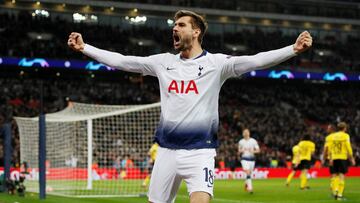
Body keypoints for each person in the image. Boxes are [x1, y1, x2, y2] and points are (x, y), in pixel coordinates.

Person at [68, 9, 312, 203]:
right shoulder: (163, 63)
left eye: (181, 25)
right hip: (166, 151)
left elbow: (256, 60)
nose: (174, 28)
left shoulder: (217, 64)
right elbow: (123, 61)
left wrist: (293, 49)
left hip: (200, 152)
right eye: (174, 25)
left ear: (196, 32)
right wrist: (85, 48)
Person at [326, 122, 356, 200]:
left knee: (335, 175)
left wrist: (331, 158)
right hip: (342, 157)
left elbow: (331, 148)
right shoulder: (346, 136)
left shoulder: (333, 136)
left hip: (334, 157)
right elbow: (348, 147)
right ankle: (339, 195)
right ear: (345, 128)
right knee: (342, 175)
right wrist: (351, 158)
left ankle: (335, 192)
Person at [238, 128, 260, 193]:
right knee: (247, 172)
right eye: (244, 132)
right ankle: (250, 188)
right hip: (244, 159)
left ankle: (246, 184)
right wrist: (242, 150)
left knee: (249, 174)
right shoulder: (241, 141)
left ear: (249, 133)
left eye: (246, 132)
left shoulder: (253, 141)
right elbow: (239, 150)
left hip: (252, 159)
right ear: (243, 134)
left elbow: (258, 150)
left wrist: (253, 151)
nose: (245, 133)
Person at [322, 124, 337, 196]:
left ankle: (334, 191)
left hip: (332, 157)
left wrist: (324, 158)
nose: (327, 129)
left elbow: (326, 149)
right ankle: (336, 189)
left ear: (332, 129)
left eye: (328, 128)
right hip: (341, 157)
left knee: (333, 174)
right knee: (339, 174)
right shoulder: (340, 136)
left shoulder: (328, 138)